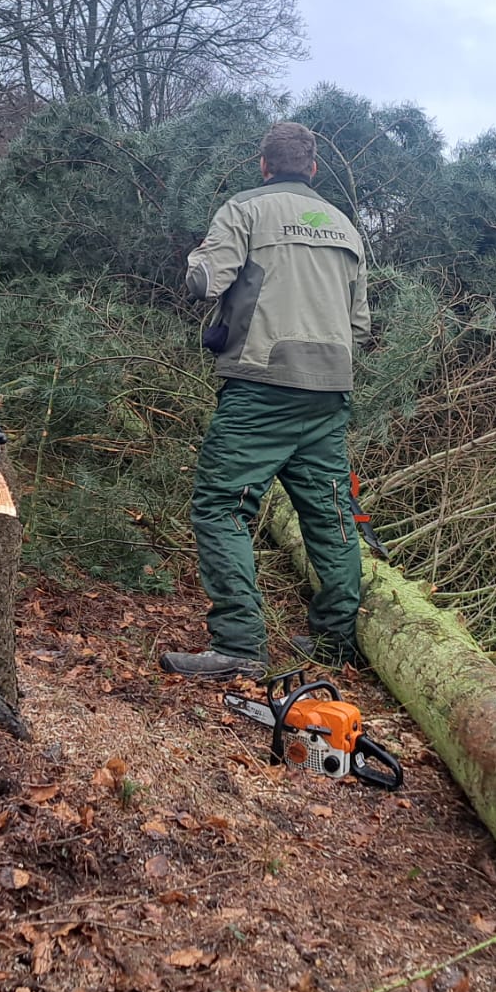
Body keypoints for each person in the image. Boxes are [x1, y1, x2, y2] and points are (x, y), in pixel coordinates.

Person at [161, 122, 370, 681]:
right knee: (331, 515)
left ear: (264, 165)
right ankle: (334, 641)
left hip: (262, 384)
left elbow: (204, 282)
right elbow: (359, 322)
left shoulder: (245, 209)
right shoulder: (346, 227)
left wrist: (197, 257)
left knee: (221, 505)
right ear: (314, 169)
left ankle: (238, 645)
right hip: (330, 389)